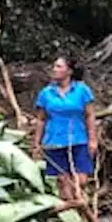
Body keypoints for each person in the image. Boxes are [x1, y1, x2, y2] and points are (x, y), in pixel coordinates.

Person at [32, 57, 98, 202]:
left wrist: (92, 139)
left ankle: (79, 203)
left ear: (69, 71)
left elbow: (89, 115)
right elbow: (41, 119)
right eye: (54, 66)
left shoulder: (82, 90)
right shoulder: (46, 93)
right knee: (63, 180)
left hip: (78, 139)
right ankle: (71, 210)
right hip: (54, 140)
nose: (54, 69)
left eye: (58, 66)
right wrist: (37, 143)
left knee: (81, 180)